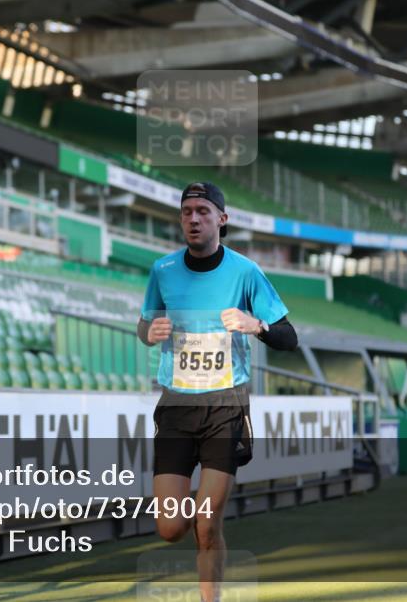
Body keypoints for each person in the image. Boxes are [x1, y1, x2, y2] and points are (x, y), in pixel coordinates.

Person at [137, 182, 298, 602]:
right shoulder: (163, 270)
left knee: (207, 525)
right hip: (175, 406)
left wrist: (256, 326)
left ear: (221, 220)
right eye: (187, 211)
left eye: (203, 211)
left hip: (225, 407)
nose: (193, 218)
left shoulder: (246, 272)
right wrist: (149, 333)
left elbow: (288, 336)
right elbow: (145, 323)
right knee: (171, 528)